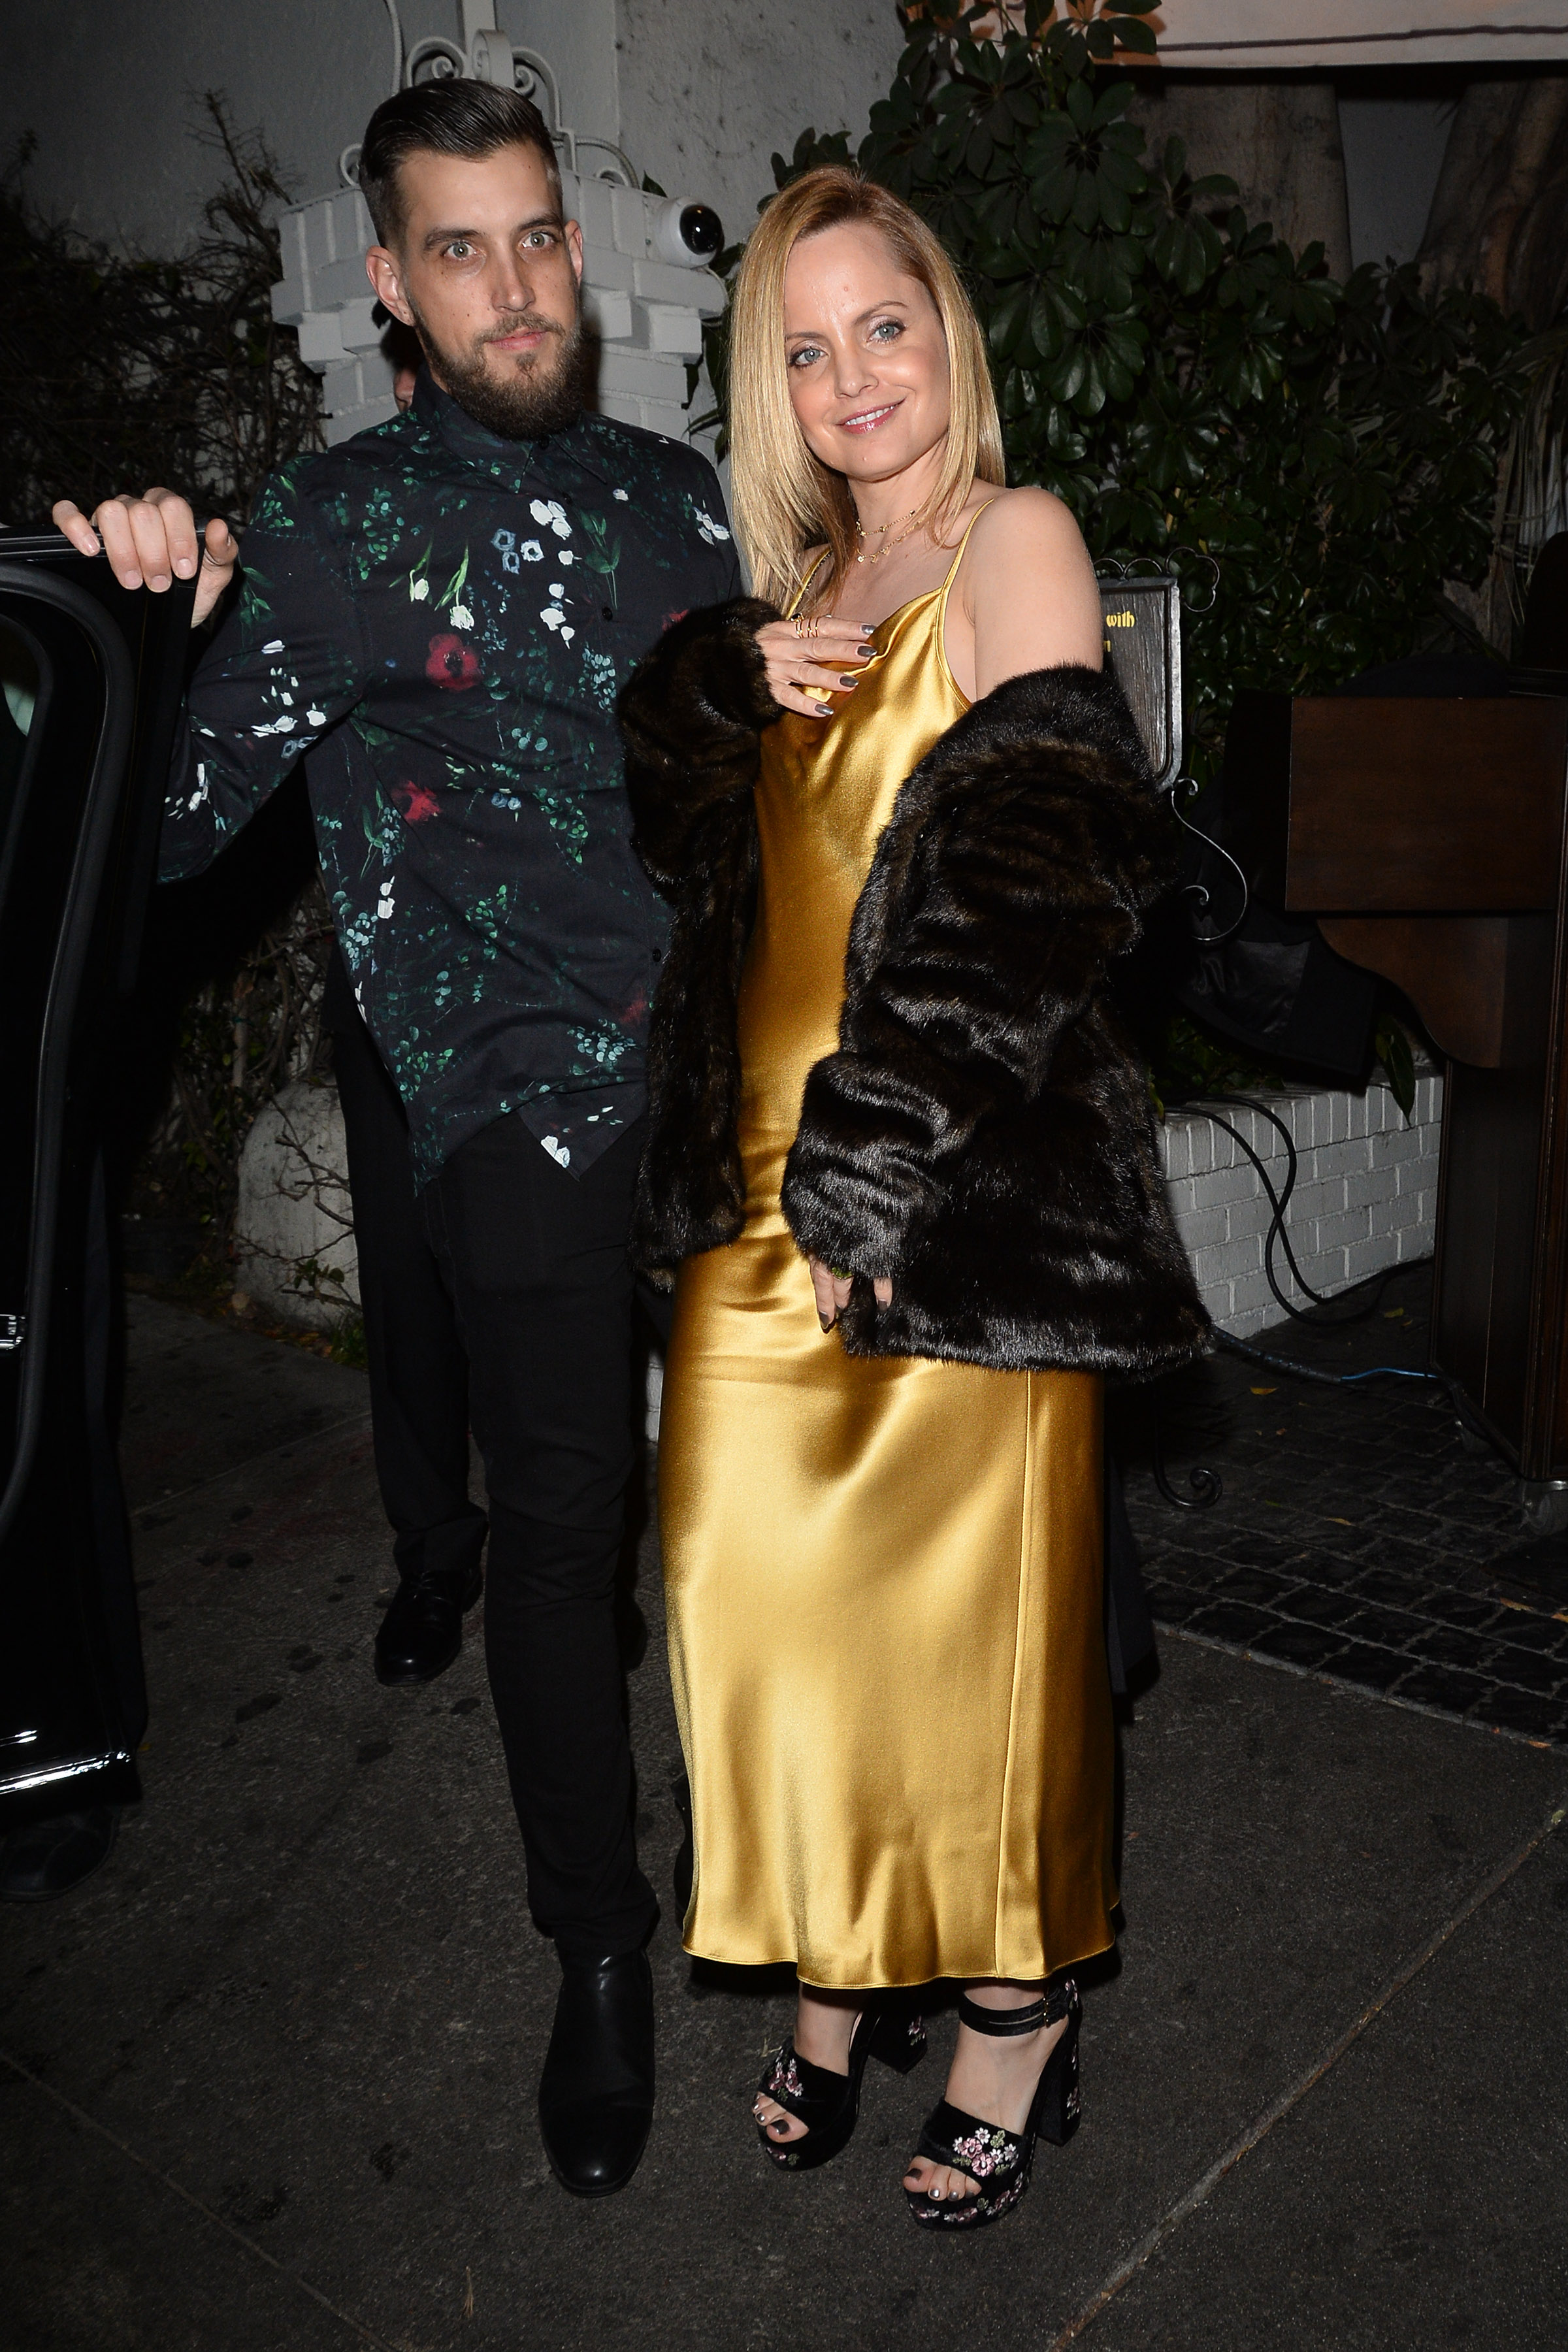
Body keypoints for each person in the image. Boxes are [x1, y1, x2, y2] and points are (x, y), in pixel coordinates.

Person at [54, 77, 740, 2198]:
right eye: (462, 249)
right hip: (515, 1102)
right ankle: (598, 1948)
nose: (515, 288)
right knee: (564, 1531)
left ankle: (846, 1881)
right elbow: (148, 835)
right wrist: (126, 623)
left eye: (536, 238)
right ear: (390, 283)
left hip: (727, 1085)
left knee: (788, 1513)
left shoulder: (681, 500)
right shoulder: (328, 532)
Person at [618, 167, 1208, 2229]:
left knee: (972, 1649)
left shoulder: (1010, 538)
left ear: (948, 328)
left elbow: (1044, 873)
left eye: (884, 323)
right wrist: (714, 686)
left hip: (946, 1195)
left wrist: (876, 1171)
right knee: (750, 1601)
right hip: (752, 1198)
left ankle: (1014, 2012)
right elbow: (694, 853)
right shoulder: (805, 577)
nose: (852, 373)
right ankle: (842, 1949)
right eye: (806, 345)